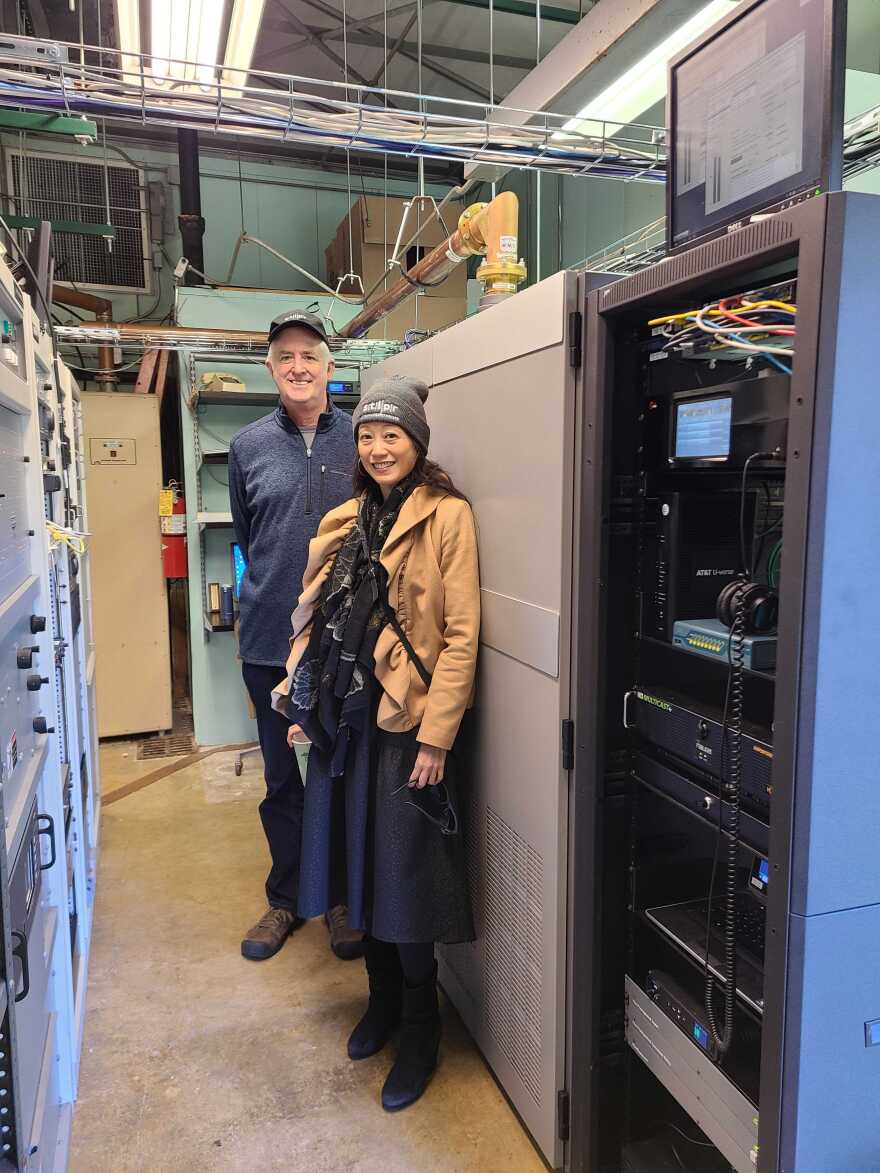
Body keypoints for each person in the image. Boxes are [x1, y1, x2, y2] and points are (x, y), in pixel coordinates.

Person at [272, 375, 480, 1112]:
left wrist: (437, 737)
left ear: (417, 442)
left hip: (404, 726)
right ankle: (383, 1003)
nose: (378, 445)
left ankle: (422, 1027)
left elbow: (460, 638)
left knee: (405, 881)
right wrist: (303, 696)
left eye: (392, 434)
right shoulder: (350, 515)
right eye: (367, 434)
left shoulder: (447, 517)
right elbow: (318, 614)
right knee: (361, 873)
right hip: (345, 721)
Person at [228, 309, 364, 963]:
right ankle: (286, 897)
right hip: (266, 643)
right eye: (285, 355)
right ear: (271, 369)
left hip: (341, 644)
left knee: (338, 772)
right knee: (282, 779)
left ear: (331, 367)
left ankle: (338, 898)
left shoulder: (362, 441)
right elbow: (246, 534)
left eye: (310, 353)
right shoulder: (247, 446)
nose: (298, 365)